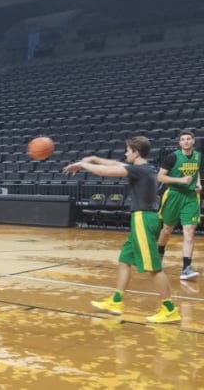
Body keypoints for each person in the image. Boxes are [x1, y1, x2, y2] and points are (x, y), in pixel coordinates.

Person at [62, 136, 181, 323]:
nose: (125, 153)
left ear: (136, 152)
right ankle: (116, 301)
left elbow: (107, 171)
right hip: (142, 218)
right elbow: (113, 164)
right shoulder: (146, 167)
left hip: (144, 219)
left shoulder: (139, 170)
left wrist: (82, 165)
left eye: (127, 150)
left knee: (153, 268)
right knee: (125, 259)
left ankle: (169, 309)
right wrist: (93, 158)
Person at [156, 130, 201, 281]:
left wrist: (199, 184)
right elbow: (160, 176)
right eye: (183, 139)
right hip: (174, 195)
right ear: (180, 143)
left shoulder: (198, 156)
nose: (186, 141)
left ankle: (186, 268)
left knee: (189, 230)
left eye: (189, 139)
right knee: (167, 229)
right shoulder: (173, 157)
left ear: (193, 141)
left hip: (190, 197)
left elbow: (198, 173)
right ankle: (159, 253)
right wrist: (180, 180)